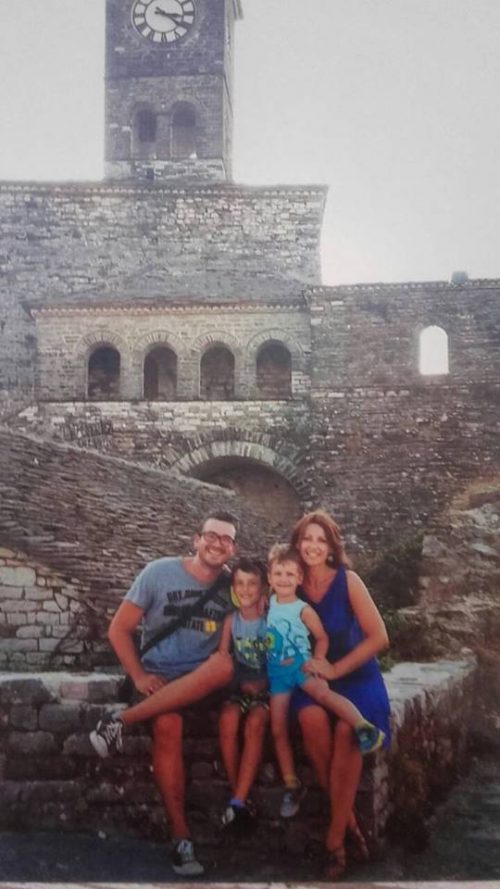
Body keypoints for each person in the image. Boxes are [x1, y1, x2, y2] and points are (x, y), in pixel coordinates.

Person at [89, 510, 238, 877]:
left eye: (226, 539)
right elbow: (118, 629)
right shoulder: (158, 572)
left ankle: (119, 721)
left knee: (223, 666)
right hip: (158, 678)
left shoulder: (233, 586)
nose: (217, 543)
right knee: (168, 724)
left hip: (202, 681)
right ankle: (181, 837)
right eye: (211, 535)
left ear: (233, 548)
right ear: (196, 539)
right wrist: (138, 675)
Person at [289, 510, 391, 880]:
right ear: (297, 544)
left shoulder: (348, 581)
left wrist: (335, 670)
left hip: (356, 675)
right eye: (307, 539)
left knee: (349, 730)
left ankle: (335, 841)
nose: (313, 546)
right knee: (309, 717)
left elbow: (379, 637)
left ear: (332, 547)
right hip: (313, 679)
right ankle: (350, 825)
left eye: (321, 540)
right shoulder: (290, 583)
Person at [266, 543, 385, 821]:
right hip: (278, 675)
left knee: (323, 696)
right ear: (269, 577)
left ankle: (363, 727)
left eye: (289, 574)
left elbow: (322, 637)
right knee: (277, 728)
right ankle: (292, 783)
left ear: (299, 578)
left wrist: (319, 661)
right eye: (278, 574)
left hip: (301, 668)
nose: (283, 579)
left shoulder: (303, 609)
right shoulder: (268, 603)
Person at [218, 556, 269, 831]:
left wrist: (263, 684)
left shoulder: (270, 620)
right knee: (227, 720)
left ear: (263, 588)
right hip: (240, 687)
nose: (245, 589)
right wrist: (240, 683)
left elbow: (280, 662)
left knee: (255, 723)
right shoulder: (231, 621)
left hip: (267, 690)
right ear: (233, 588)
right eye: (240, 583)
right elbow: (223, 660)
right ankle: (238, 792)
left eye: (252, 583)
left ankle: (238, 800)